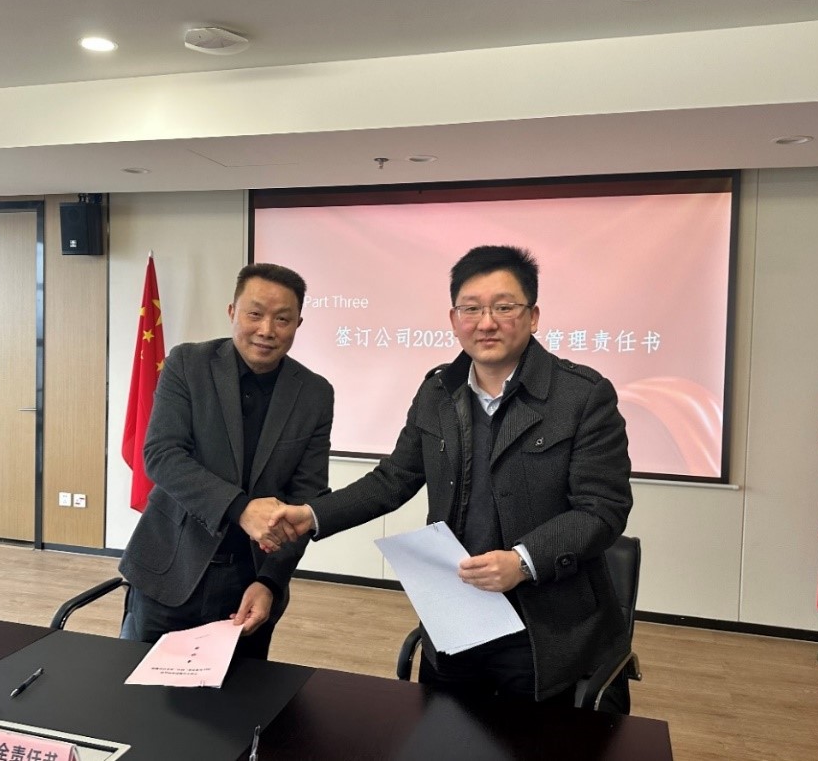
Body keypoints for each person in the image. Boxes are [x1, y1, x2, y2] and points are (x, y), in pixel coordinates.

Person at [265, 245, 632, 708]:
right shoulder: (438, 392)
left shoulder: (581, 396)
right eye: (471, 309)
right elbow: (393, 479)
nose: (486, 322)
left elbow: (602, 509)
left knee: (532, 741)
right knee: (444, 733)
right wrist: (312, 515)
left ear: (533, 316)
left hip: (543, 626)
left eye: (504, 307)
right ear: (454, 319)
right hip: (455, 613)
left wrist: (521, 562)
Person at [118, 263, 334, 659]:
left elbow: (307, 495)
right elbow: (162, 455)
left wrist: (270, 581)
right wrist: (240, 509)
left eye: (282, 319)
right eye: (255, 314)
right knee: (139, 688)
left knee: (239, 694)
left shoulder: (315, 393)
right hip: (169, 567)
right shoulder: (187, 364)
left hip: (249, 583)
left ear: (298, 324)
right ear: (232, 311)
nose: (267, 330)